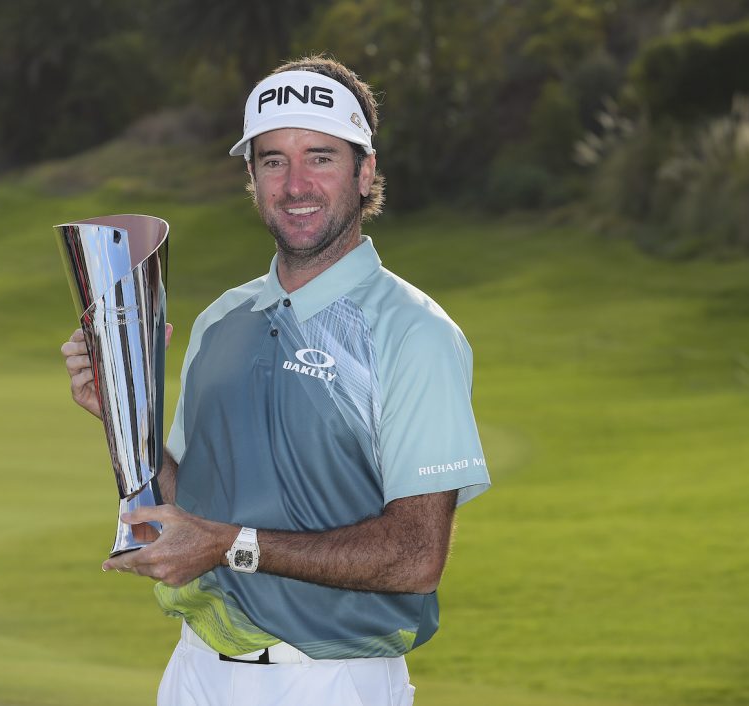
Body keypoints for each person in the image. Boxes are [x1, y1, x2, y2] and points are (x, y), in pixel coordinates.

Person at [61, 55, 491, 706]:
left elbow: (415, 556)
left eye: (320, 157)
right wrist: (123, 414)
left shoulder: (414, 334)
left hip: (331, 681)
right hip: (196, 671)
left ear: (365, 171)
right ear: (252, 179)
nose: (295, 184)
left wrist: (228, 547)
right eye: (272, 160)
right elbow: (194, 506)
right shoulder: (220, 321)